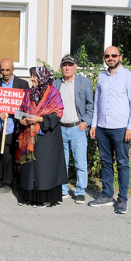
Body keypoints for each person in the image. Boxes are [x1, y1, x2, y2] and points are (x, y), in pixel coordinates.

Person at [88, 46, 131, 215]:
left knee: (123, 164)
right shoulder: (102, 77)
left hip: (121, 128)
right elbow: (97, 103)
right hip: (103, 127)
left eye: (113, 55)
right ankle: (107, 195)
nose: (110, 58)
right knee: (106, 162)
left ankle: (122, 198)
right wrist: (94, 125)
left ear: (120, 57)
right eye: (107, 56)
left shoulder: (129, 77)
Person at [17, 66, 67, 208]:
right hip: (29, 135)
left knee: (44, 168)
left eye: (35, 76)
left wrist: (38, 119)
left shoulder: (53, 93)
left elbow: (57, 113)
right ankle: (29, 197)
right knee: (29, 167)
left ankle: (44, 198)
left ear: (43, 77)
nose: (32, 79)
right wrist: (22, 119)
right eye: (31, 75)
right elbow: (21, 110)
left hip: (47, 136)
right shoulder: (28, 93)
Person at [53, 55, 94, 204]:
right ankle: (62, 190)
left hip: (77, 127)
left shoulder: (84, 82)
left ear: (76, 66)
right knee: (61, 162)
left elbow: (90, 105)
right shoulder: (56, 83)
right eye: (64, 65)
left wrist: (86, 122)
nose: (67, 68)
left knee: (80, 162)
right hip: (60, 128)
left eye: (70, 65)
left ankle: (80, 191)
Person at [0, 58, 29, 194]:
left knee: (8, 156)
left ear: (13, 70)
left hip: (12, 126)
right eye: (2, 70)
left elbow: (25, 107)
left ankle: (7, 183)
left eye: (7, 70)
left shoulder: (22, 84)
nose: (4, 72)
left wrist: (14, 114)